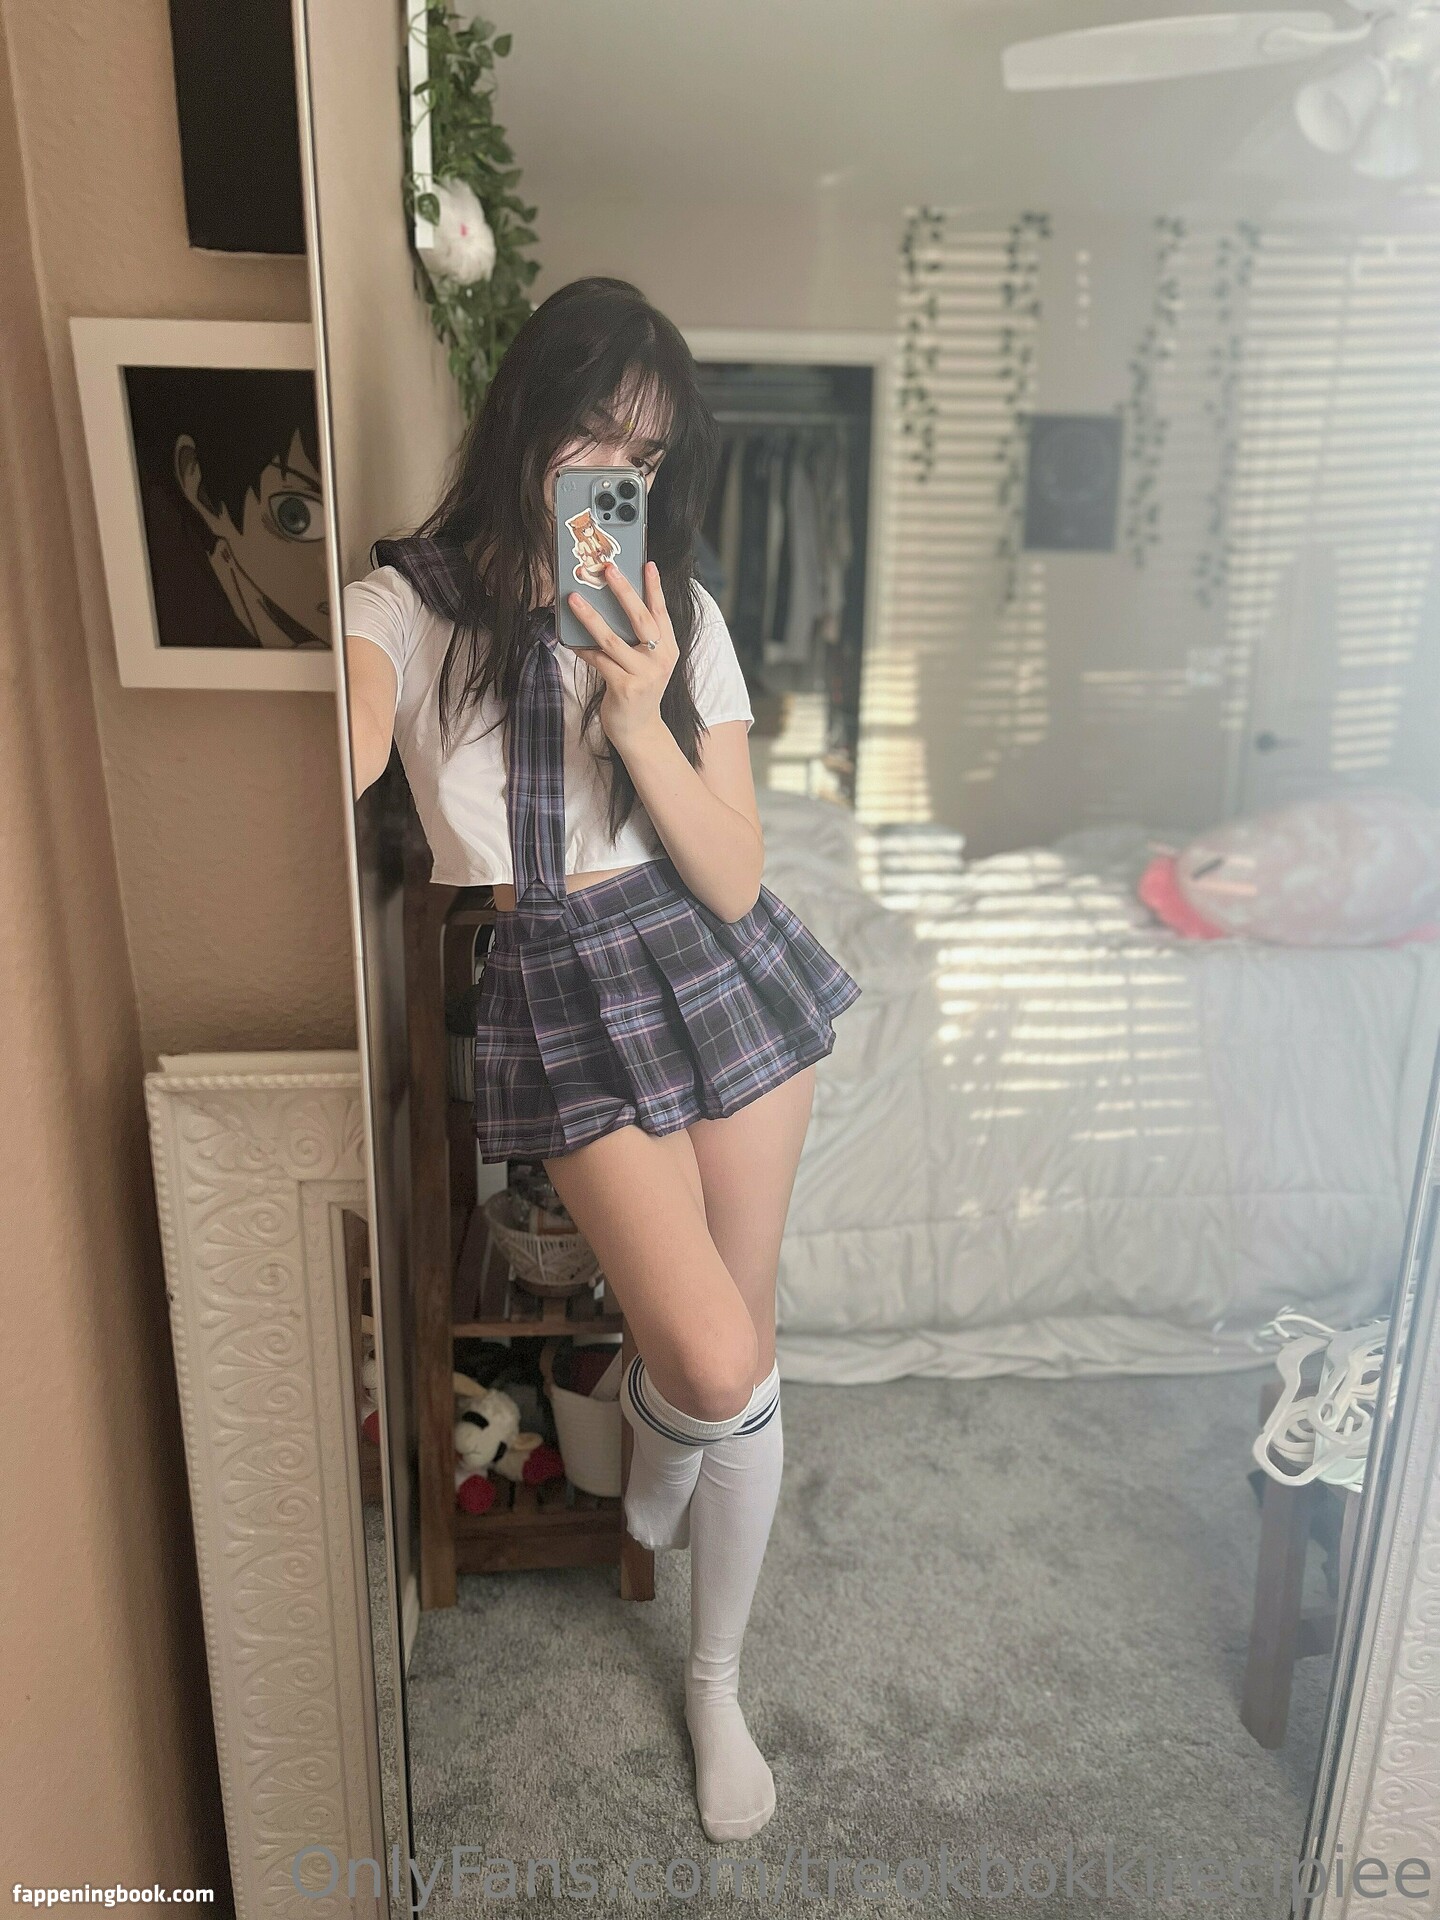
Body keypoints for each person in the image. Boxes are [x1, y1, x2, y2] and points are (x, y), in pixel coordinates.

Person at [342, 276, 861, 1843]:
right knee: (707, 1360)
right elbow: (329, 756)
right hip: (559, 977)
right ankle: (655, 1408)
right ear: (524, 416)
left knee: (742, 1352)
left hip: (714, 965)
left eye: (645, 452)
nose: (613, 474)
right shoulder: (406, 607)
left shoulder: (677, 611)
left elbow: (735, 877)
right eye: (592, 431)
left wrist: (638, 716)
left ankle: (715, 1678)